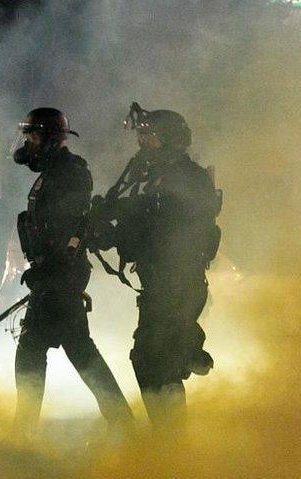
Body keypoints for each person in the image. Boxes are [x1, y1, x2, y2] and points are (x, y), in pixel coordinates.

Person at [10, 107, 133, 440]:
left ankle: (24, 437)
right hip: (54, 280)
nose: (29, 144)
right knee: (74, 350)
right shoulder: (54, 173)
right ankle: (124, 426)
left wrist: (49, 274)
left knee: (51, 351)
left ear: (50, 139)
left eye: (33, 136)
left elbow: (70, 232)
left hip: (60, 281)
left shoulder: (71, 173)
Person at [108, 104, 220, 428]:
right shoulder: (155, 177)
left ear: (169, 139)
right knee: (151, 361)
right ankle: (169, 440)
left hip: (177, 284)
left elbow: (165, 231)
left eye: (150, 136)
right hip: (161, 285)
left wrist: (119, 232)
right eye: (141, 135)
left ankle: (172, 448)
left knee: (156, 363)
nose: (142, 142)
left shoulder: (186, 178)